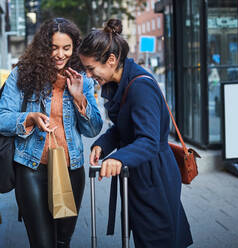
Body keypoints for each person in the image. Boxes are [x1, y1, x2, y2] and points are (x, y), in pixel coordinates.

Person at [79, 19, 193, 248]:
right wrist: (102, 145)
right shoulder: (122, 82)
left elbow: (149, 140)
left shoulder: (141, 87)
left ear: (111, 60)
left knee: (156, 239)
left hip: (154, 176)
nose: (88, 76)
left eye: (91, 68)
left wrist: (118, 158)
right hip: (141, 172)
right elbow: (123, 128)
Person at [0, 18, 103, 248]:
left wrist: (79, 98)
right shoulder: (22, 75)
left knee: (63, 243)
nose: (59, 54)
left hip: (71, 169)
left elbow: (93, 128)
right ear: (44, 47)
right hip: (31, 169)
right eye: (53, 48)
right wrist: (29, 118)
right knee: (43, 244)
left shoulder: (82, 80)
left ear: (74, 49)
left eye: (66, 48)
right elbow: (1, 119)